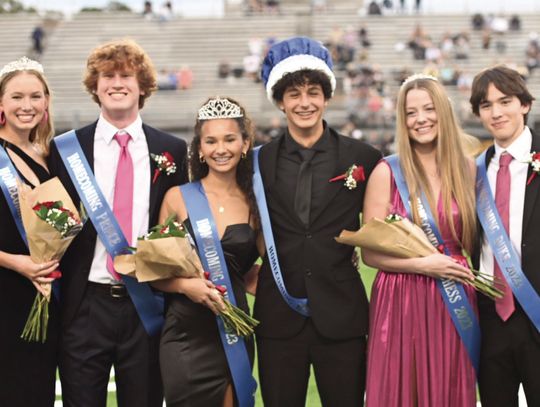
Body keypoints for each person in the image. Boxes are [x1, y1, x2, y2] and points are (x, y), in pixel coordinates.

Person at [47, 39, 188, 407]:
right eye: (107, 76)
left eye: (126, 74)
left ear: (143, 86)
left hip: (146, 303)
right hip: (84, 305)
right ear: (95, 87)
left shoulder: (171, 150)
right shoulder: (67, 149)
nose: (116, 82)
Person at [255, 36, 381, 406]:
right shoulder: (257, 162)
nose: (304, 102)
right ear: (280, 101)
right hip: (278, 320)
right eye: (293, 94)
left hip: (342, 316)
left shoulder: (365, 157)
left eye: (313, 92)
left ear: (327, 97)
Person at [362, 74, 478, 406]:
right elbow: (370, 254)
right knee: (402, 388)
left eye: (429, 109)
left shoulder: (468, 170)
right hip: (400, 296)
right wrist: (423, 264)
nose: (421, 119)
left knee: (449, 387)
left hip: (454, 294)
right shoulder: (387, 171)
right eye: (411, 113)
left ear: (443, 111)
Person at [155, 96, 262, 406]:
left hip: (233, 326)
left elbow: (272, 260)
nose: (221, 149)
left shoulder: (256, 203)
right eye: (211, 141)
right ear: (199, 148)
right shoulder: (177, 198)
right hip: (184, 332)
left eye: (230, 139)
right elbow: (154, 273)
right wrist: (185, 286)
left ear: (245, 143)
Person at [470, 65, 540, 407]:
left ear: (524, 104)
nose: (496, 112)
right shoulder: (473, 170)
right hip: (490, 318)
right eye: (486, 105)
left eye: (505, 101)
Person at [0, 56, 57, 406]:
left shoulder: (46, 155)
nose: (27, 106)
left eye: (36, 96)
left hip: (41, 297)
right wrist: (15, 263)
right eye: (17, 97)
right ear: (1, 104)